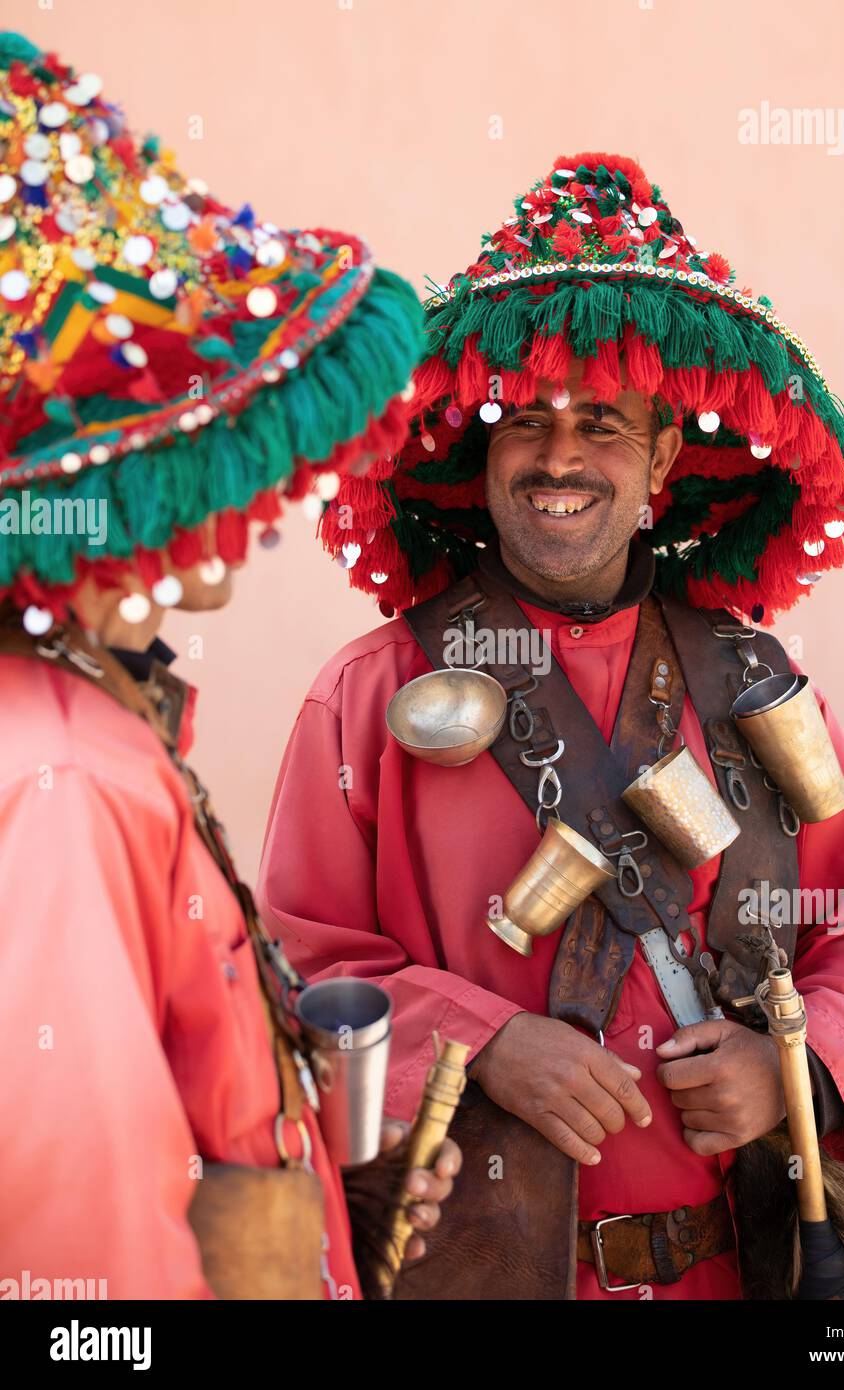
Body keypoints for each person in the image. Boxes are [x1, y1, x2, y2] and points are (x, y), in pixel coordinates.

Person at [258, 152, 844, 1300]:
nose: (560, 456)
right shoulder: (369, 693)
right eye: (525, 422)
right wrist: (481, 1043)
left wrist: (793, 1072)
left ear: (662, 460)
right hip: (469, 1272)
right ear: (483, 458)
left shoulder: (761, 686)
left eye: (601, 425)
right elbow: (298, 969)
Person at [0, 31, 458, 1301]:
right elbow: (78, 1269)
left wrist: (315, 1207)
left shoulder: (75, 717)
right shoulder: (58, 775)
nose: (254, 499)